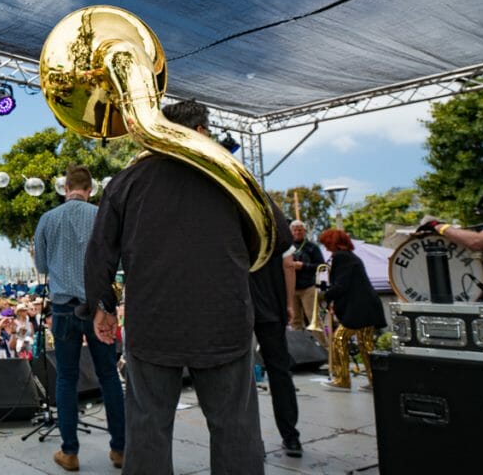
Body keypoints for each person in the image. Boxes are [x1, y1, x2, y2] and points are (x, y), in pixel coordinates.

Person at [84, 99, 265, 475]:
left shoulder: (127, 181)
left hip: (153, 319)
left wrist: (102, 305)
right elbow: (273, 236)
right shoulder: (231, 176)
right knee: (235, 428)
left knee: (147, 427)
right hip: (224, 317)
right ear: (200, 132)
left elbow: (100, 251)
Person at [34, 163, 126, 471]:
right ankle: (120, 449)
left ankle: (70, 452)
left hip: (62, 307)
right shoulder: (102, 216)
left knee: (66, 378)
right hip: (98, 305)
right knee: (109, 375)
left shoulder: (48, 219)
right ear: (90, 189)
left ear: (64, 188)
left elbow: (44, 266)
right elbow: (116, 258)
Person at [250, 208, 304, 457]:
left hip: (238, 307)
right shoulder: (275, 221)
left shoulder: (231, 217)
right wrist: (289, 303)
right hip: (271, 306)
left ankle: (248, 440)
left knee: (240, 376)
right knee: (279, 372)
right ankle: (291, 437)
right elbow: (289, 266)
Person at [318, 229, 387, 390]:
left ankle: (343, 379)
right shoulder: (351, 257)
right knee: (366, 345)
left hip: (359, 308)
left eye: (326, 243)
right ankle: (373, 381)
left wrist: (325, 296)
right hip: (367, 306)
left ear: (331, 242)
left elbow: (341, 285)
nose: (325, 247)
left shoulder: (341, 257)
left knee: (339, 340)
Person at [289, 220, 326, 345]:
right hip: (292, 288)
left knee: (313, 318)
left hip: (308, 288)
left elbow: (322, 266)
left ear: (304, 231)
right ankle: (301, 350)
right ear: (291, 232)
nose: (297, 232)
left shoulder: (312, 247)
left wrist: (304, 266)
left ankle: (325, 348)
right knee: (295, 321)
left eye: (300, 229)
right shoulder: (287, 247)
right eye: (295, 229)